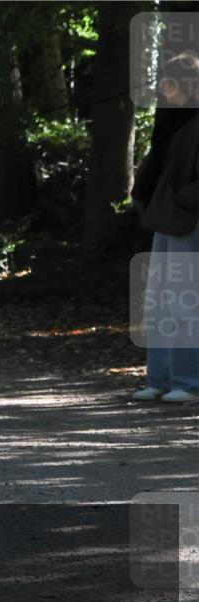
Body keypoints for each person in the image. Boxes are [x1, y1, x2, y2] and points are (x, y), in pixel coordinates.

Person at [130, 52, 199, 403]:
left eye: (171, 82)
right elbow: (156, 167)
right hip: (165, 219)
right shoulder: (170, 120)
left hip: (189, 221)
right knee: (158, 301)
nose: (165, 89)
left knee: (185, 300)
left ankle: (189, 382)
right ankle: (160, 378)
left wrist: (179, 201)